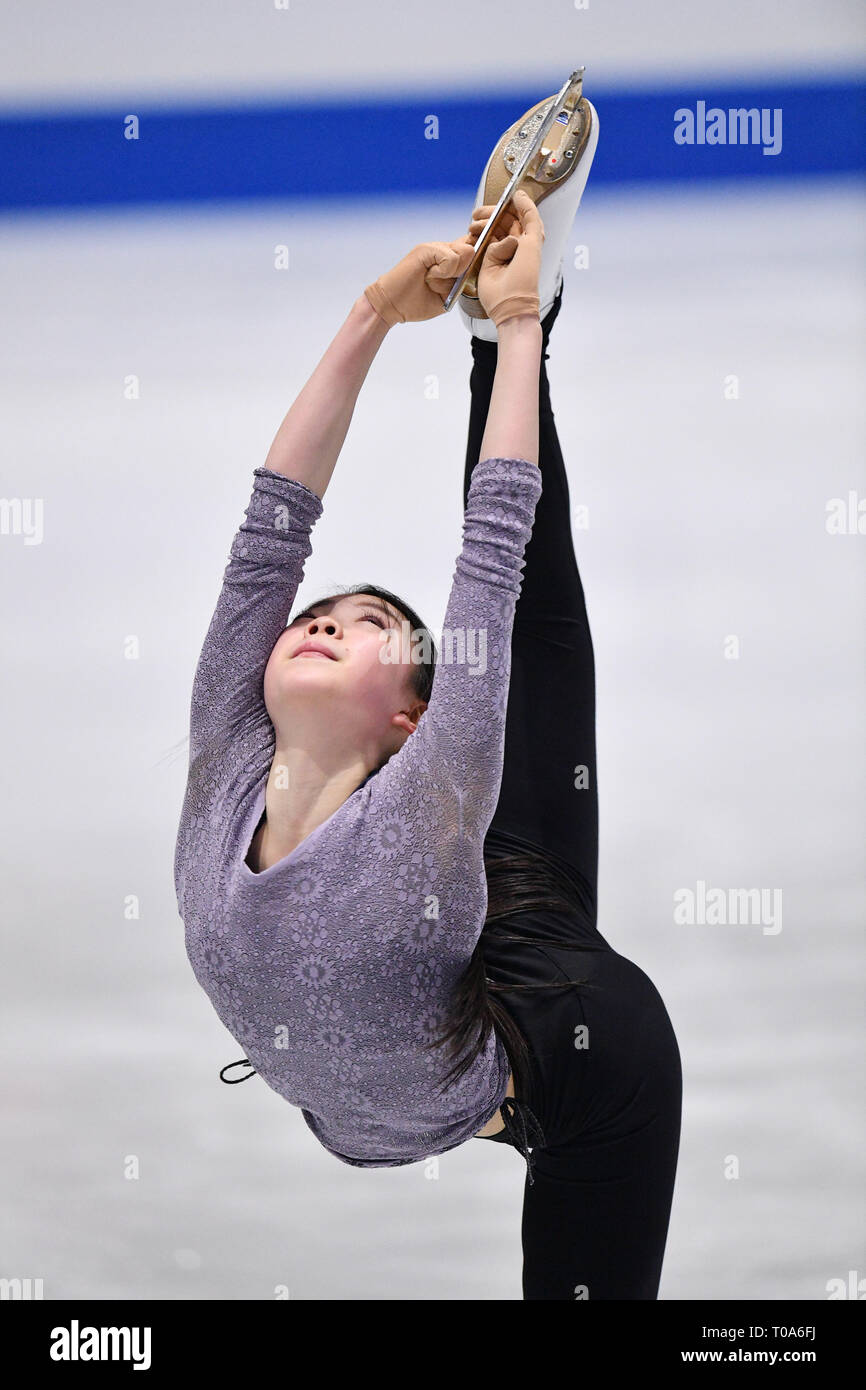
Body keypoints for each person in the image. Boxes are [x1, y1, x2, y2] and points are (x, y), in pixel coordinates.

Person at [174, 89, 682, 1300]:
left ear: (408, 713)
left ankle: (526, 315)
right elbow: (269, 531)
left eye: (365, 629)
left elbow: (493, 553)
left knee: (532, 629)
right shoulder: (226, 740)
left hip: (559, 1055)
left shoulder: (428, 793)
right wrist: (369, 315)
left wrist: (513, 333)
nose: (319, 620)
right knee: (523, 714)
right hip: (446, 943)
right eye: (318, 616)